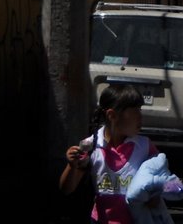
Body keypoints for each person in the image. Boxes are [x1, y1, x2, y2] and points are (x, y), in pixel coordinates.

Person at [60, 84, 161, 224]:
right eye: (135, 111)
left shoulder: (144, 147)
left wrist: (154, 195)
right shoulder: (91, 146)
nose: (140, 116)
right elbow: (67, 189)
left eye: (140, 110)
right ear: (112, 115)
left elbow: (159, 186)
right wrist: (72, 165)